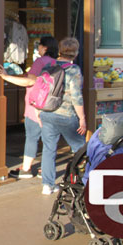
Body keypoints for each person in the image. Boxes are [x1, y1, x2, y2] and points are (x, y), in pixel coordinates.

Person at [0, 36, 58, 179]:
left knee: (32, 137)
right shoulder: (57, 63)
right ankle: (47, 169)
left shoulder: (40, 62)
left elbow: (29, 81)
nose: (38, 49)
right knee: (50, 139)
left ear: (45, 48)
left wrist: (6, 77)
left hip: (36, 107)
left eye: (39, 46)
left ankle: (26, 169)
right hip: (53, 106)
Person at [39, 37, 87, 195]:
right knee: (80, 148)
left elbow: (40, 89)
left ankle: (47, 185)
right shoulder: (73, 70)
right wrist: (82, 118)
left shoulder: (48, 66)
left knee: (48, 149)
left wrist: (38, 113)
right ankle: (84, 181)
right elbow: (76, 97)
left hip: (46, 112)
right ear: (76, 53)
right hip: (65, 114)